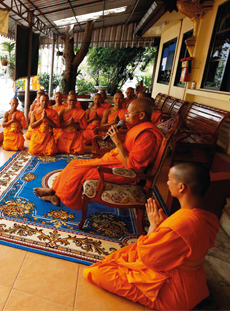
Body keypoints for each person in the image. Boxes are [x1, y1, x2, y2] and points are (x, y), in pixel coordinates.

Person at [84, 162, 219, 310]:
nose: (167, 182)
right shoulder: (209, 218)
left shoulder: (180, 223)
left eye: (169, 179)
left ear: (181, 187)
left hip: (176, 295)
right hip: (196, 285)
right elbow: (184, 243)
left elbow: (149, 259)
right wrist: (163, 228)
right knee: (126, 254)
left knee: (95, 272)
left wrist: (154, 228)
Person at [34, 98, 163, 208]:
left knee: (79, 170)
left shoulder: (147, 136)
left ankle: (56, 196)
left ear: (141, 116)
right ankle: (53, 191)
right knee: (75, 163)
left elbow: (133, 167)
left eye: (129, 113)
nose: (125, 115)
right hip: (115, 161)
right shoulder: (139, 128)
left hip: (124, 172)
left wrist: (118, 143)